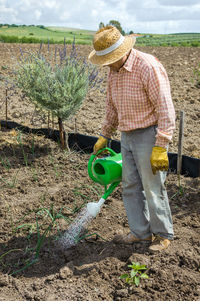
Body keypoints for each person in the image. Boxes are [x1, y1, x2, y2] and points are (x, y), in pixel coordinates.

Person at [88, 26, 175, 252]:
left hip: (149, 134)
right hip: (126, 136)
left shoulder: (147, 66)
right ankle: (140, 234)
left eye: (109, 59)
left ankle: (163, 235)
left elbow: (165, 108)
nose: (106, 64)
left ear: (121, 53)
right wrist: (105, 134)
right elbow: (111, 107)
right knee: (130, 186)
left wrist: (161, 145)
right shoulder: (113, 72)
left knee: (153, 187)